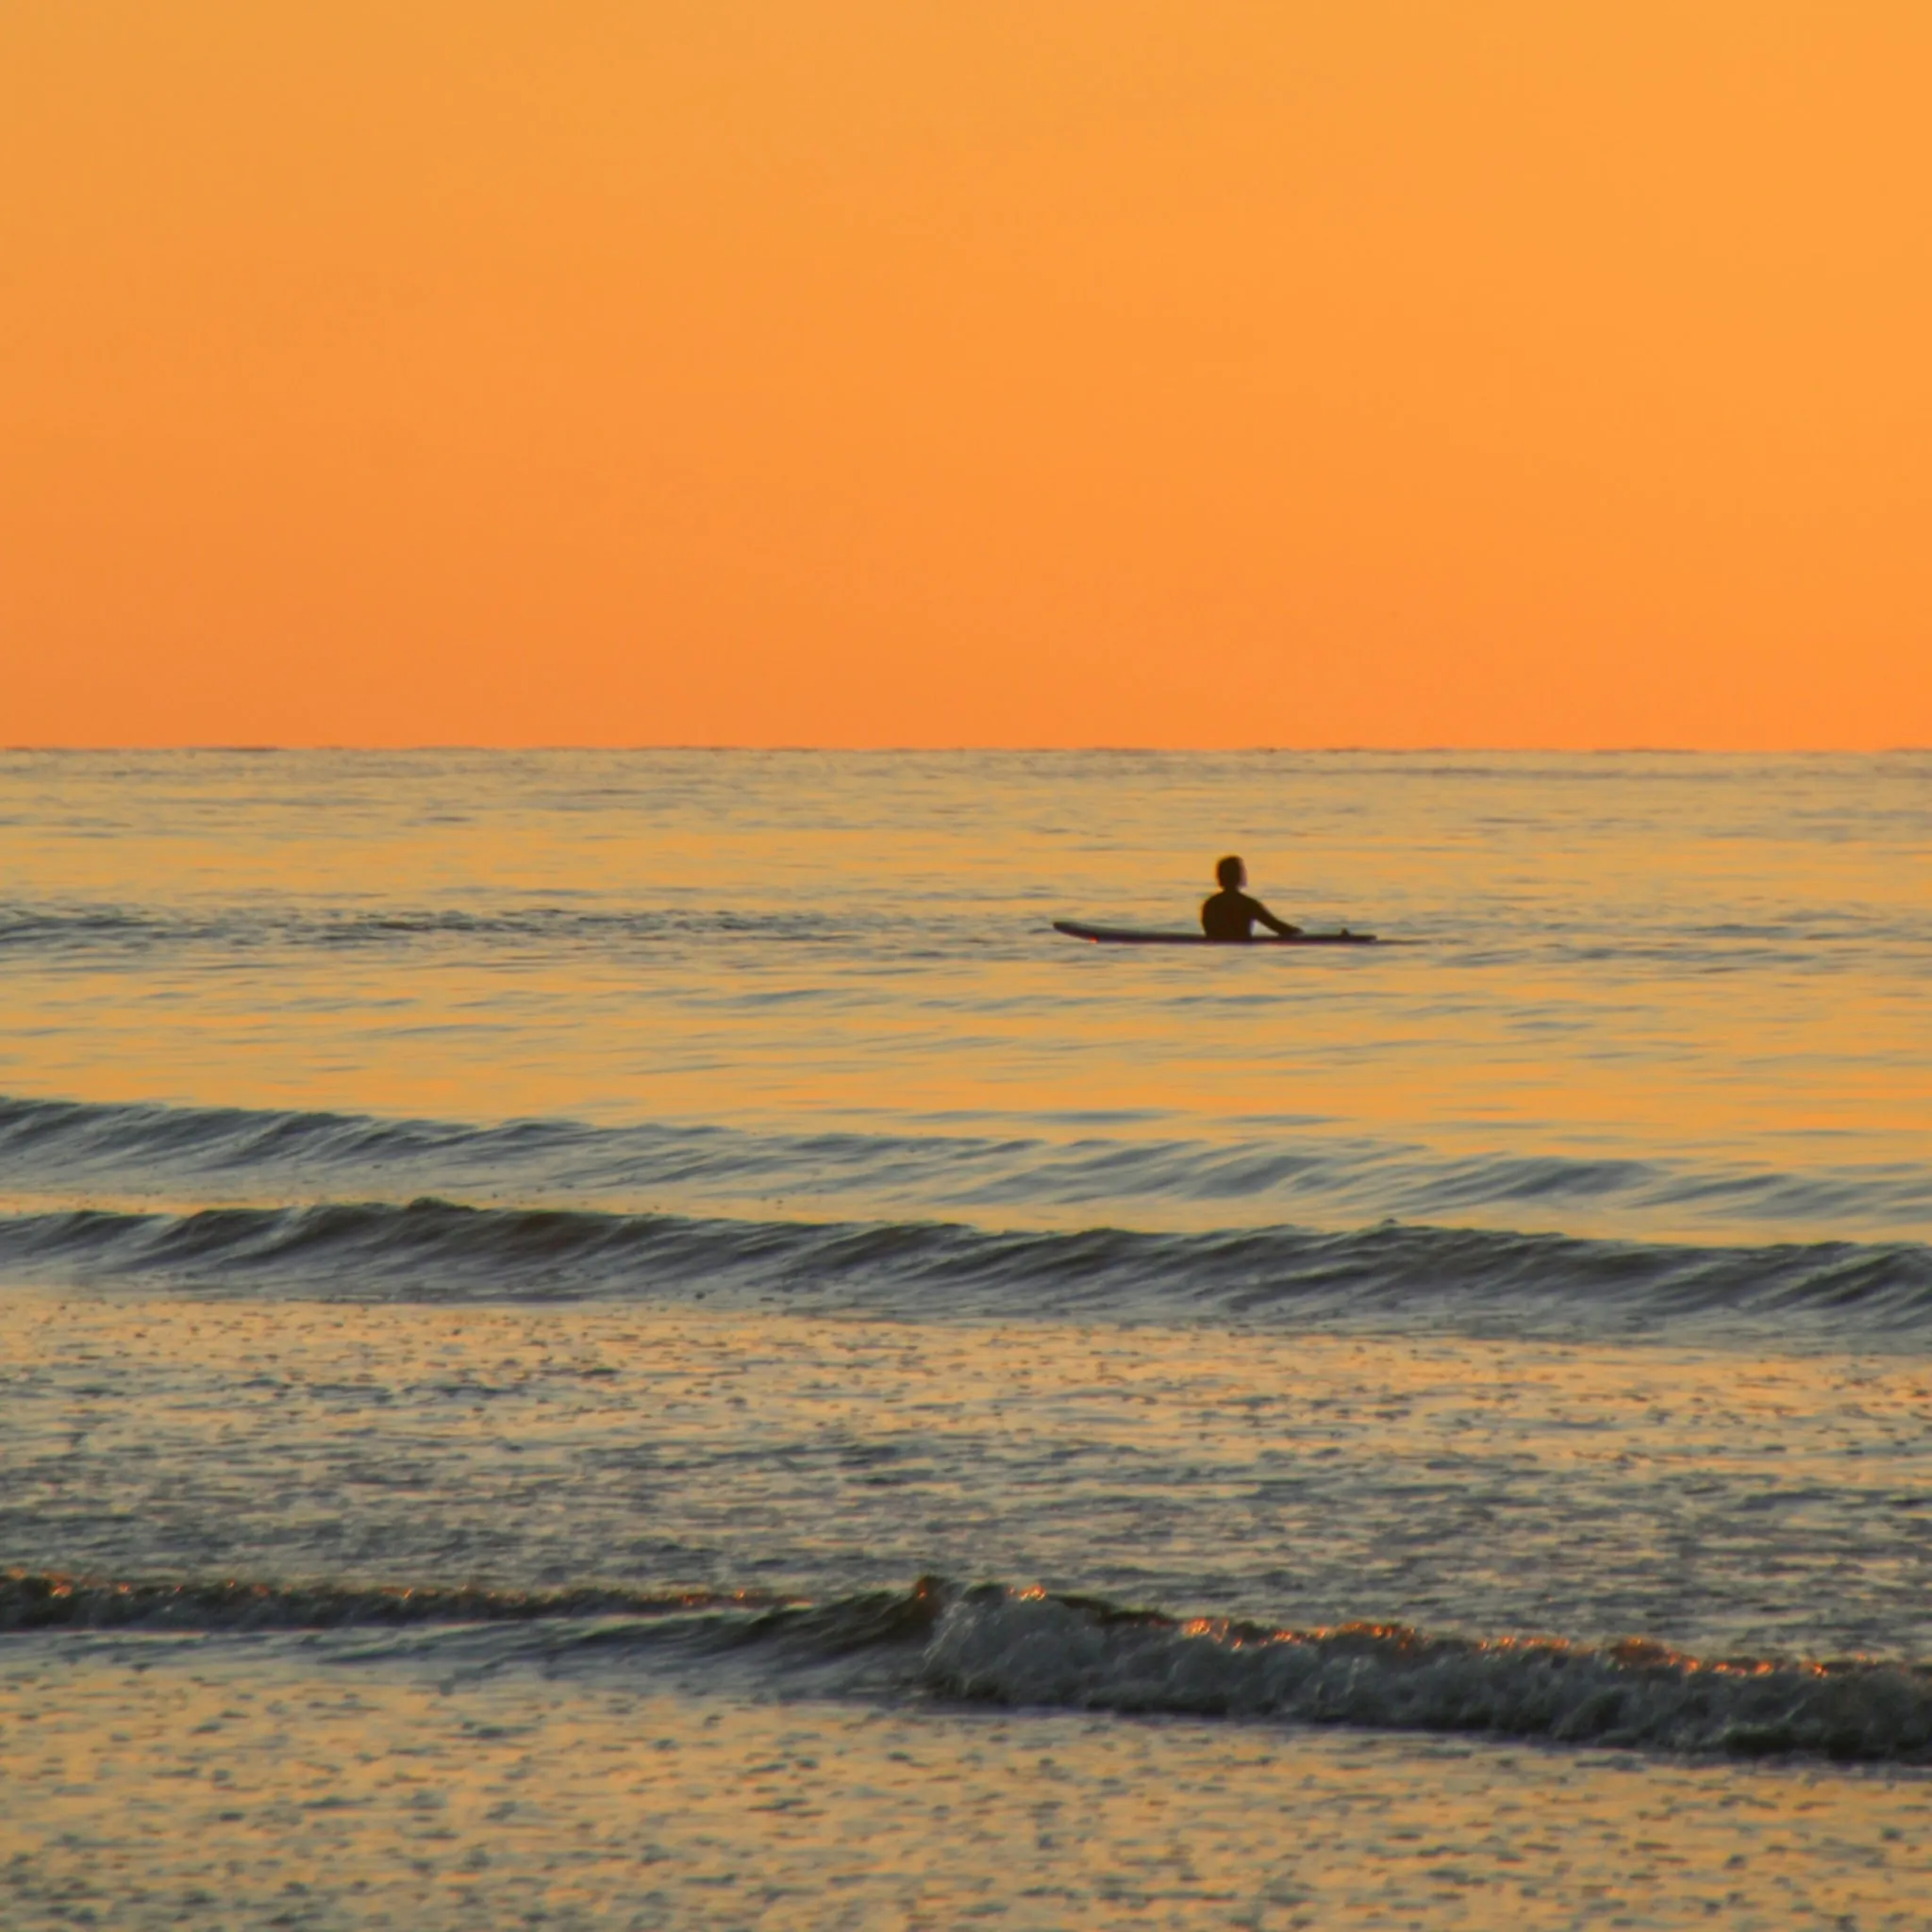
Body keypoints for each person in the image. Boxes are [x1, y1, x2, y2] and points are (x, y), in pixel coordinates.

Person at [1200, 855, 1302, 941]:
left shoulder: (1210, 903)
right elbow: (1277, 927)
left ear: (1219, 877)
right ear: (1239, 876)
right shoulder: (1247, 904)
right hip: (1242, 948)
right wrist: (1299, 933)